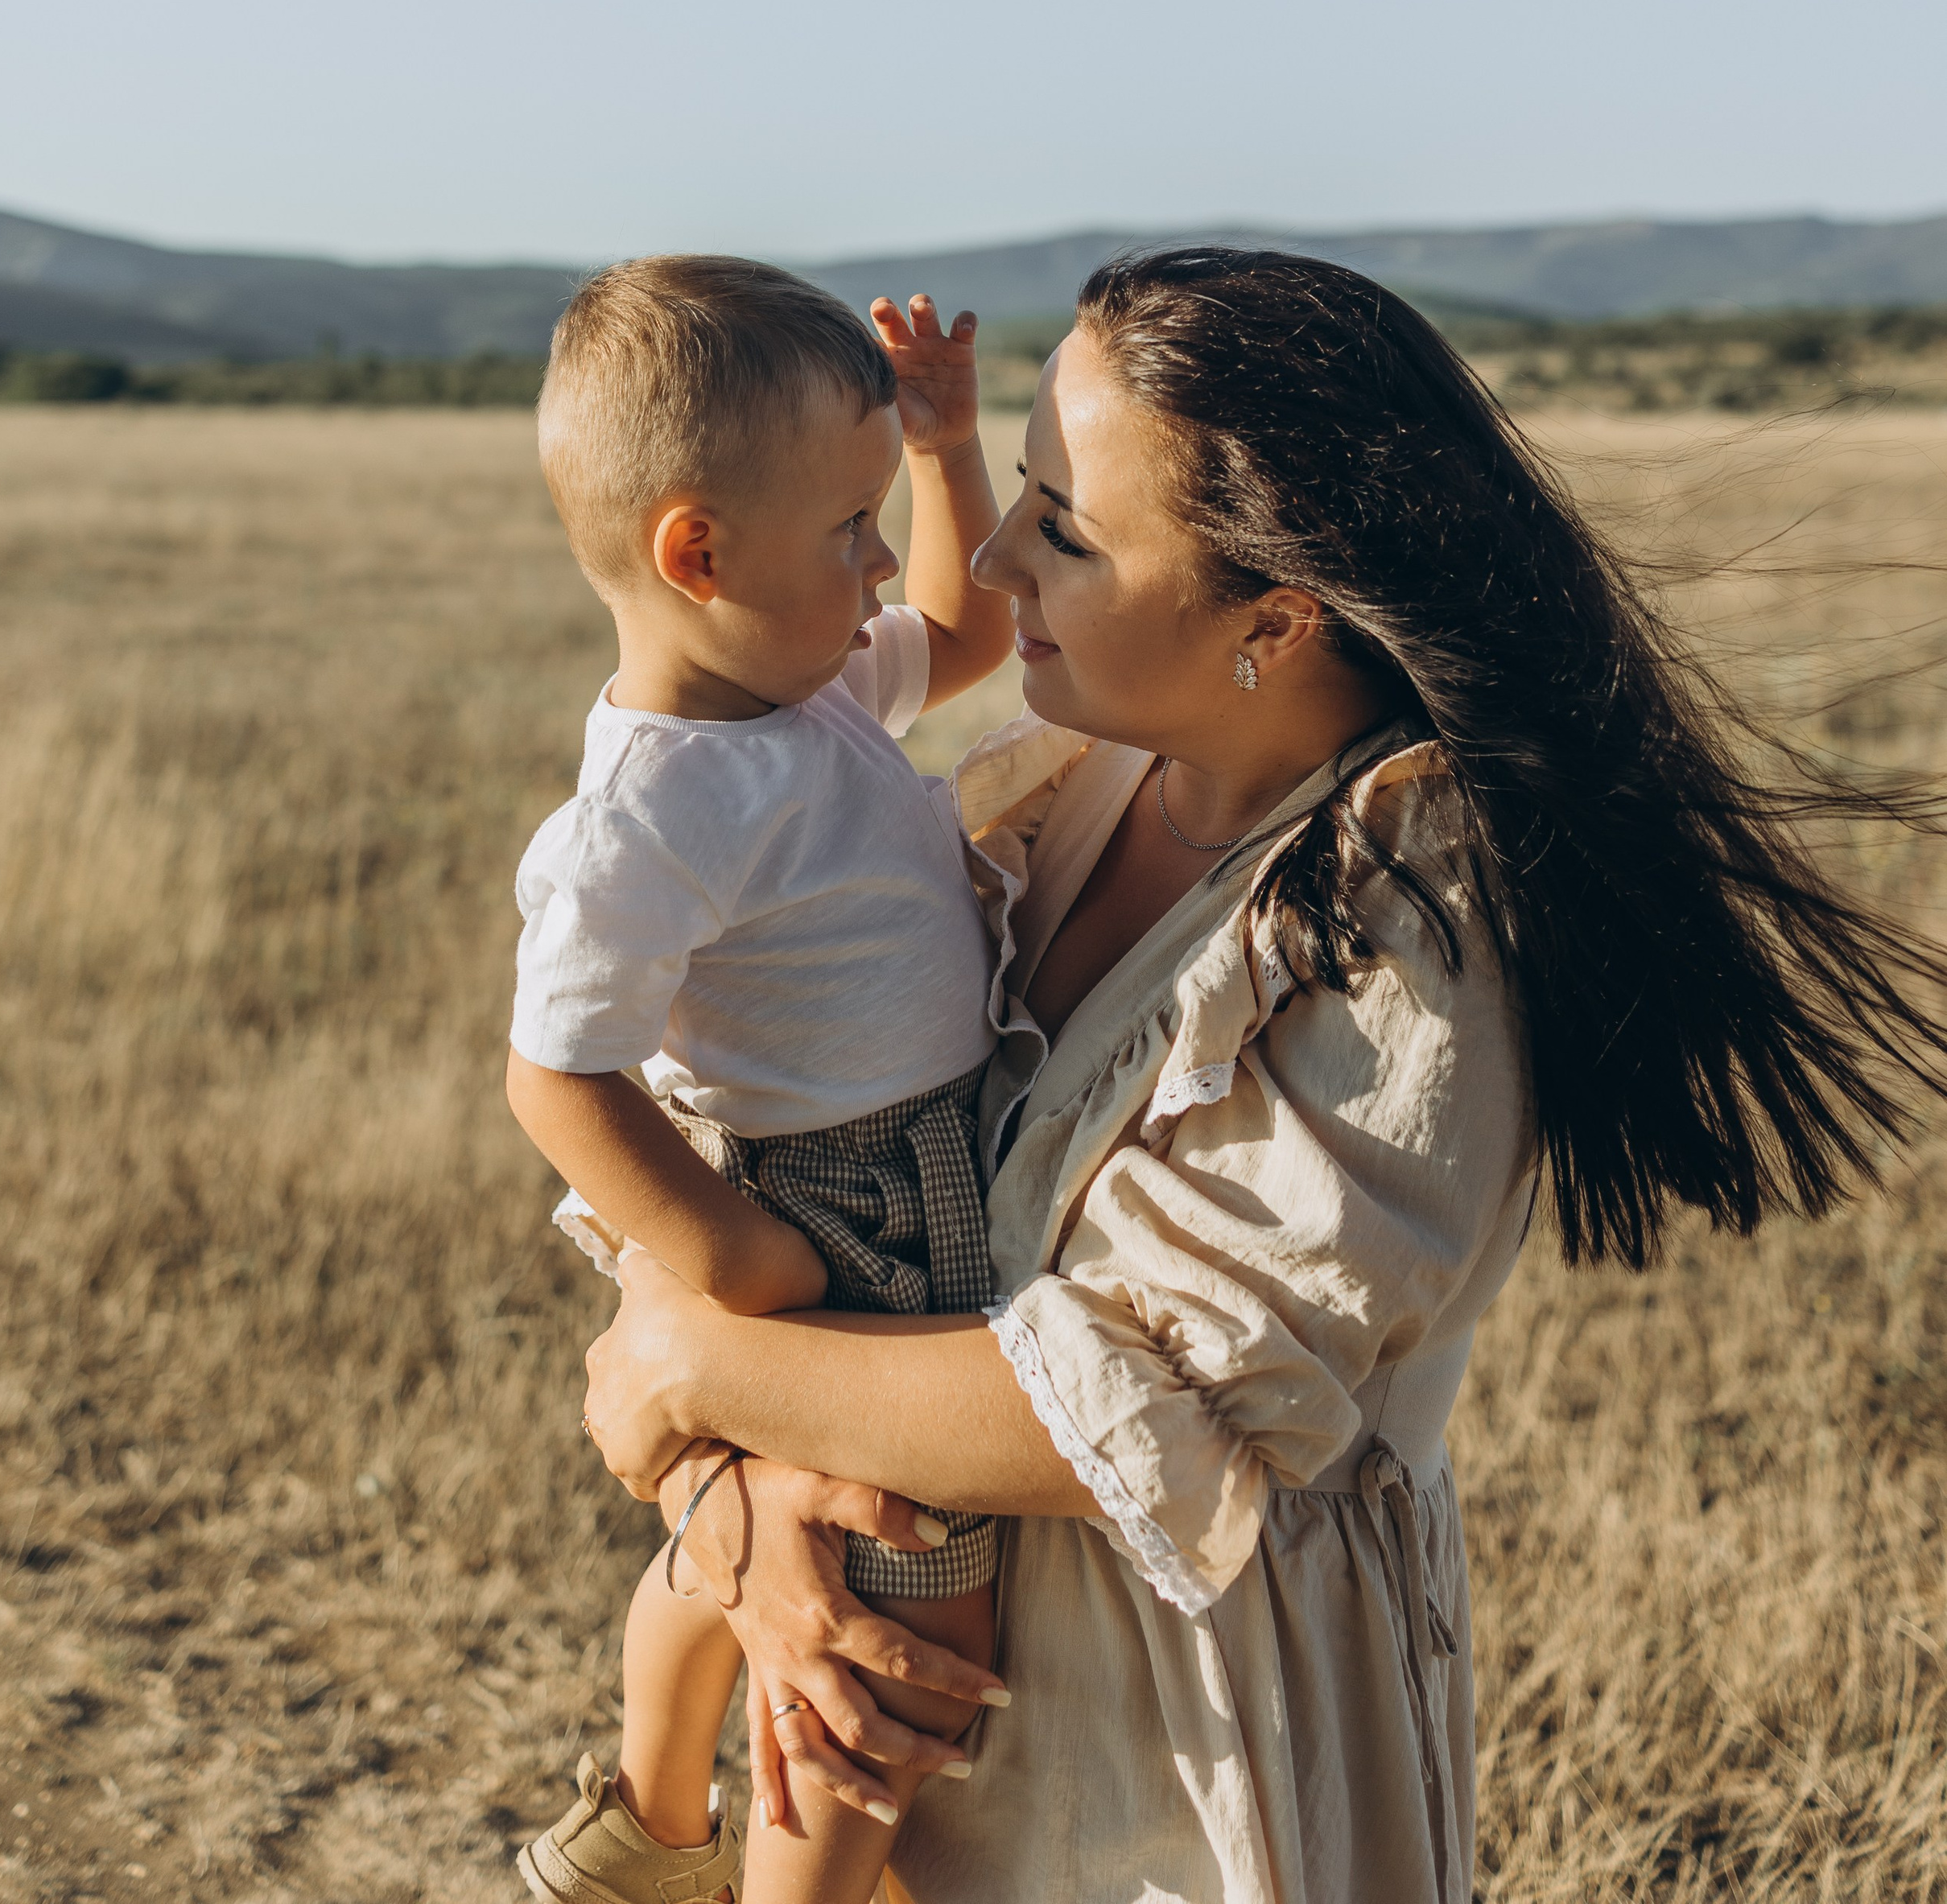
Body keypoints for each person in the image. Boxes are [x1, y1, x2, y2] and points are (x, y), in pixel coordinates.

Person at [581, 245, 1947, 1904]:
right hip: (906, 1695)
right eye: (1012, 490)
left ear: (1276, 619)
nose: (995, 558)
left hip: (1170, 1767)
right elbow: (784, 1115)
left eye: (1065, 531)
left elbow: (1121, 1408)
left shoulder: (1407, 923)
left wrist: (688, 1366)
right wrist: (754, 1496)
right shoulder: (1075, 780)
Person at [502, 257, 1017, 1904]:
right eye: (848, 531)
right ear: (695, 553)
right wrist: (731, 1261)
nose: (878, 571)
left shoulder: (806, 688)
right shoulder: (655, 808)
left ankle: (644, 1826)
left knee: (738, 1561)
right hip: (845, 1203)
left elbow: (966, 628)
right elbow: (554, 1075)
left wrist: (941, 451)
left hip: (890, 1171)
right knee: (885, 1637)